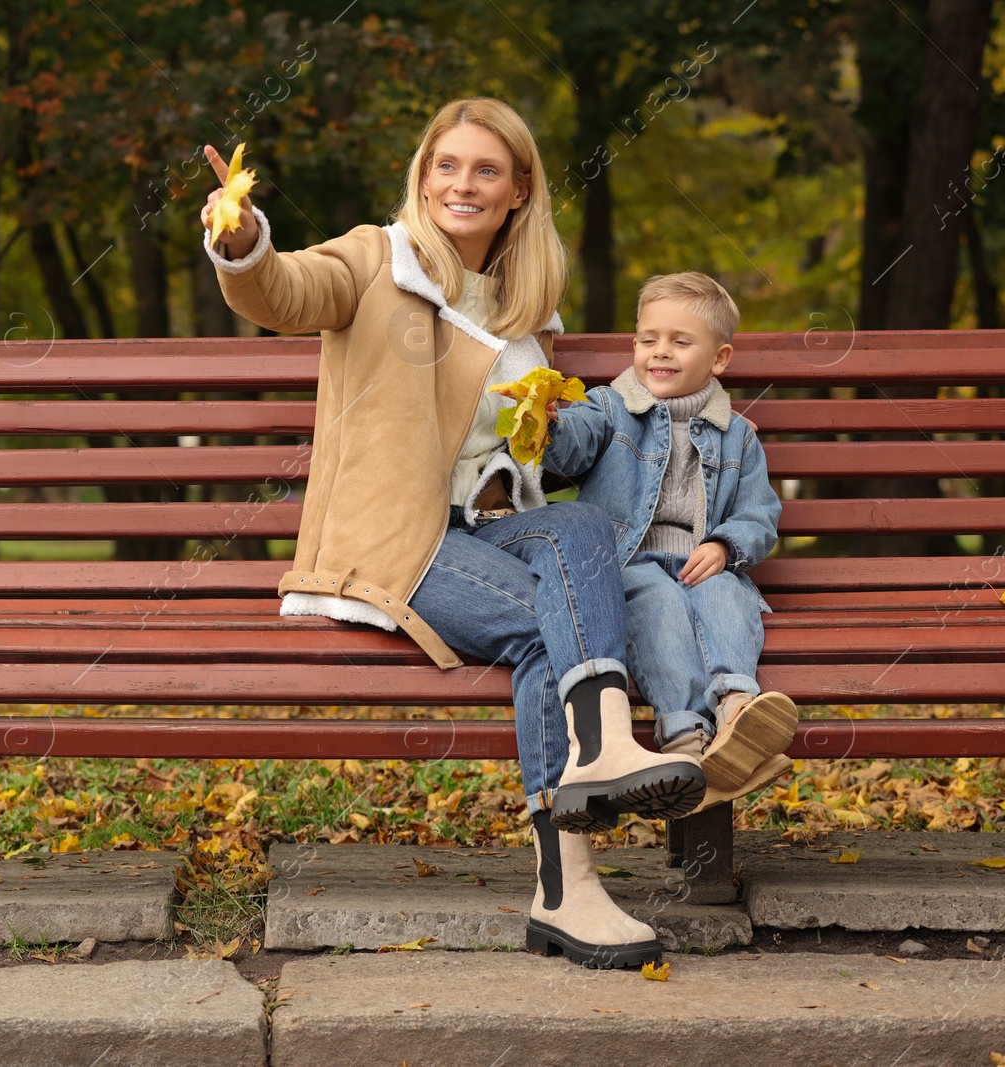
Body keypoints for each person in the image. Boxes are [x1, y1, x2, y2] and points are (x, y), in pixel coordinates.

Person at [200, 98, 702, 969]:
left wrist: (564, 413)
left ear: (519, 192)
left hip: (492, 531)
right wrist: (240, 240)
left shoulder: (527, 312)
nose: (461, 184)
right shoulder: (375, 259)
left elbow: (545, 454)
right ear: (423, 177)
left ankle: (596, 761)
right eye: (446, 165)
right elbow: (282, 290)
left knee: (574, 530)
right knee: (559, 629)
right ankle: (573, 869)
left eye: (485, 170)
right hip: (403, 542)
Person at [544, 272, 797, 809]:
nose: (660, 352)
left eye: (681, 342)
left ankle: (737, 711)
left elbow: (760, 512)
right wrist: (550, 427)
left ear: (719, 358)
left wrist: (727, 546)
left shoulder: (739, 435)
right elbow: (568, 453)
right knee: (655, 607)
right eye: (647, 339)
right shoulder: (607, 408)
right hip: (629, 559)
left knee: (727, 594)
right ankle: (683, 729)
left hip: (704, 559)